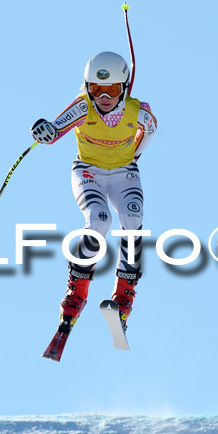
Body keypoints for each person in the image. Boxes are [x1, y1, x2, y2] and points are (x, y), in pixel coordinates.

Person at [30, 51, 157, 339]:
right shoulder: (82, 107)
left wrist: (135, 153)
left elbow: (150, 130)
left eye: (111, 89)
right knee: (99, 222)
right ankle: (76, 294)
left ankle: (124, 298)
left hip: (124, 173)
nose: (104, 97)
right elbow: (56, 128)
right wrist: (45, 132)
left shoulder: (139, 112)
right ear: (87, 87)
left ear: (123, 88)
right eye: (96, 89)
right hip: (89, 172)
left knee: (133, 219)